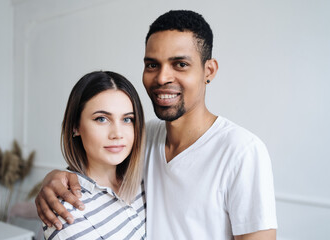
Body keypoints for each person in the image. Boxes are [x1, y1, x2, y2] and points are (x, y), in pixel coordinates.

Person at [36, 10, 277, 240]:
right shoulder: (144, 137)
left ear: (209, 70)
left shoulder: (242, 151)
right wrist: (56, 177)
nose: (162, 78)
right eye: (152, 64)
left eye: (180, 64)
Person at [42, 71, 146, 239]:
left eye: (127, 120)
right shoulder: (68, 210)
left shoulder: (145, 180)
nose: (117, 134)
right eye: (102, 119)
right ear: (75, 126)